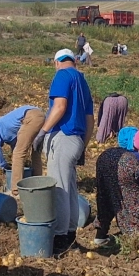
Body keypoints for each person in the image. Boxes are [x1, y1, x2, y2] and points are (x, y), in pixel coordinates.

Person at [42, 49, 94, 255]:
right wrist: (83, 146)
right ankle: (71, 234)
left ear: (57, 62)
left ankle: (60, 238)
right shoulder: (81, 79)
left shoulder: (62, 75)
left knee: (60, 190)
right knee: (70, 188)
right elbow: (90, 119)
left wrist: (42, 131)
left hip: (63, 138)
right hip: (77, 140)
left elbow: (60, 106)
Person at [91, 129, 139, 247]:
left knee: (105, 198)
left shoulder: (136, 156)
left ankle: (100, 236)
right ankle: (133, 241)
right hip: (126, 164)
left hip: (106, 156)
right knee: (134, 202)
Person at [0, 105, 46, 189]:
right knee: (35, 152)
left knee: (18, 154)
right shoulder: (7, 131)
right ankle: (37, 185)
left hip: (30, 117)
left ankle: (15, 190)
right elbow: (17, 145)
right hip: (41, 116)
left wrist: (3, 165)